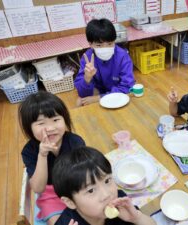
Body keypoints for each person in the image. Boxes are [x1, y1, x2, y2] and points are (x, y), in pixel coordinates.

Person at [18, 91, 86, 225]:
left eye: (55, 120)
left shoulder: (75, 142)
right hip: (50, 194)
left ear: (64, 119)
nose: (50, 128)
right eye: (41, 123)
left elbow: (83, 173)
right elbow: (38, 189)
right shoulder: (29, 151)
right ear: (29, 128)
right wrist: (42, 154)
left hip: (76, 187)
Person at [52, 146, 156, 225]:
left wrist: (137, 218)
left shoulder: (120, 202)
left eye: (107, 181)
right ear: (70, 202)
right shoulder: (67, 222)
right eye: (91, 190)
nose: (106, 195)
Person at [74, 18, 135, 106]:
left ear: (114, 41)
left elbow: (127, 86)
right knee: (80, 101)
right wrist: (87, 78)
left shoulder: (122, 56)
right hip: (98, 90)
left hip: (117, 91)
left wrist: (99, 98)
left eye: (110, 44)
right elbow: (82, 93)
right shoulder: (87, 58)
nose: (105, 48)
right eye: (99, 45)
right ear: (90, 44)